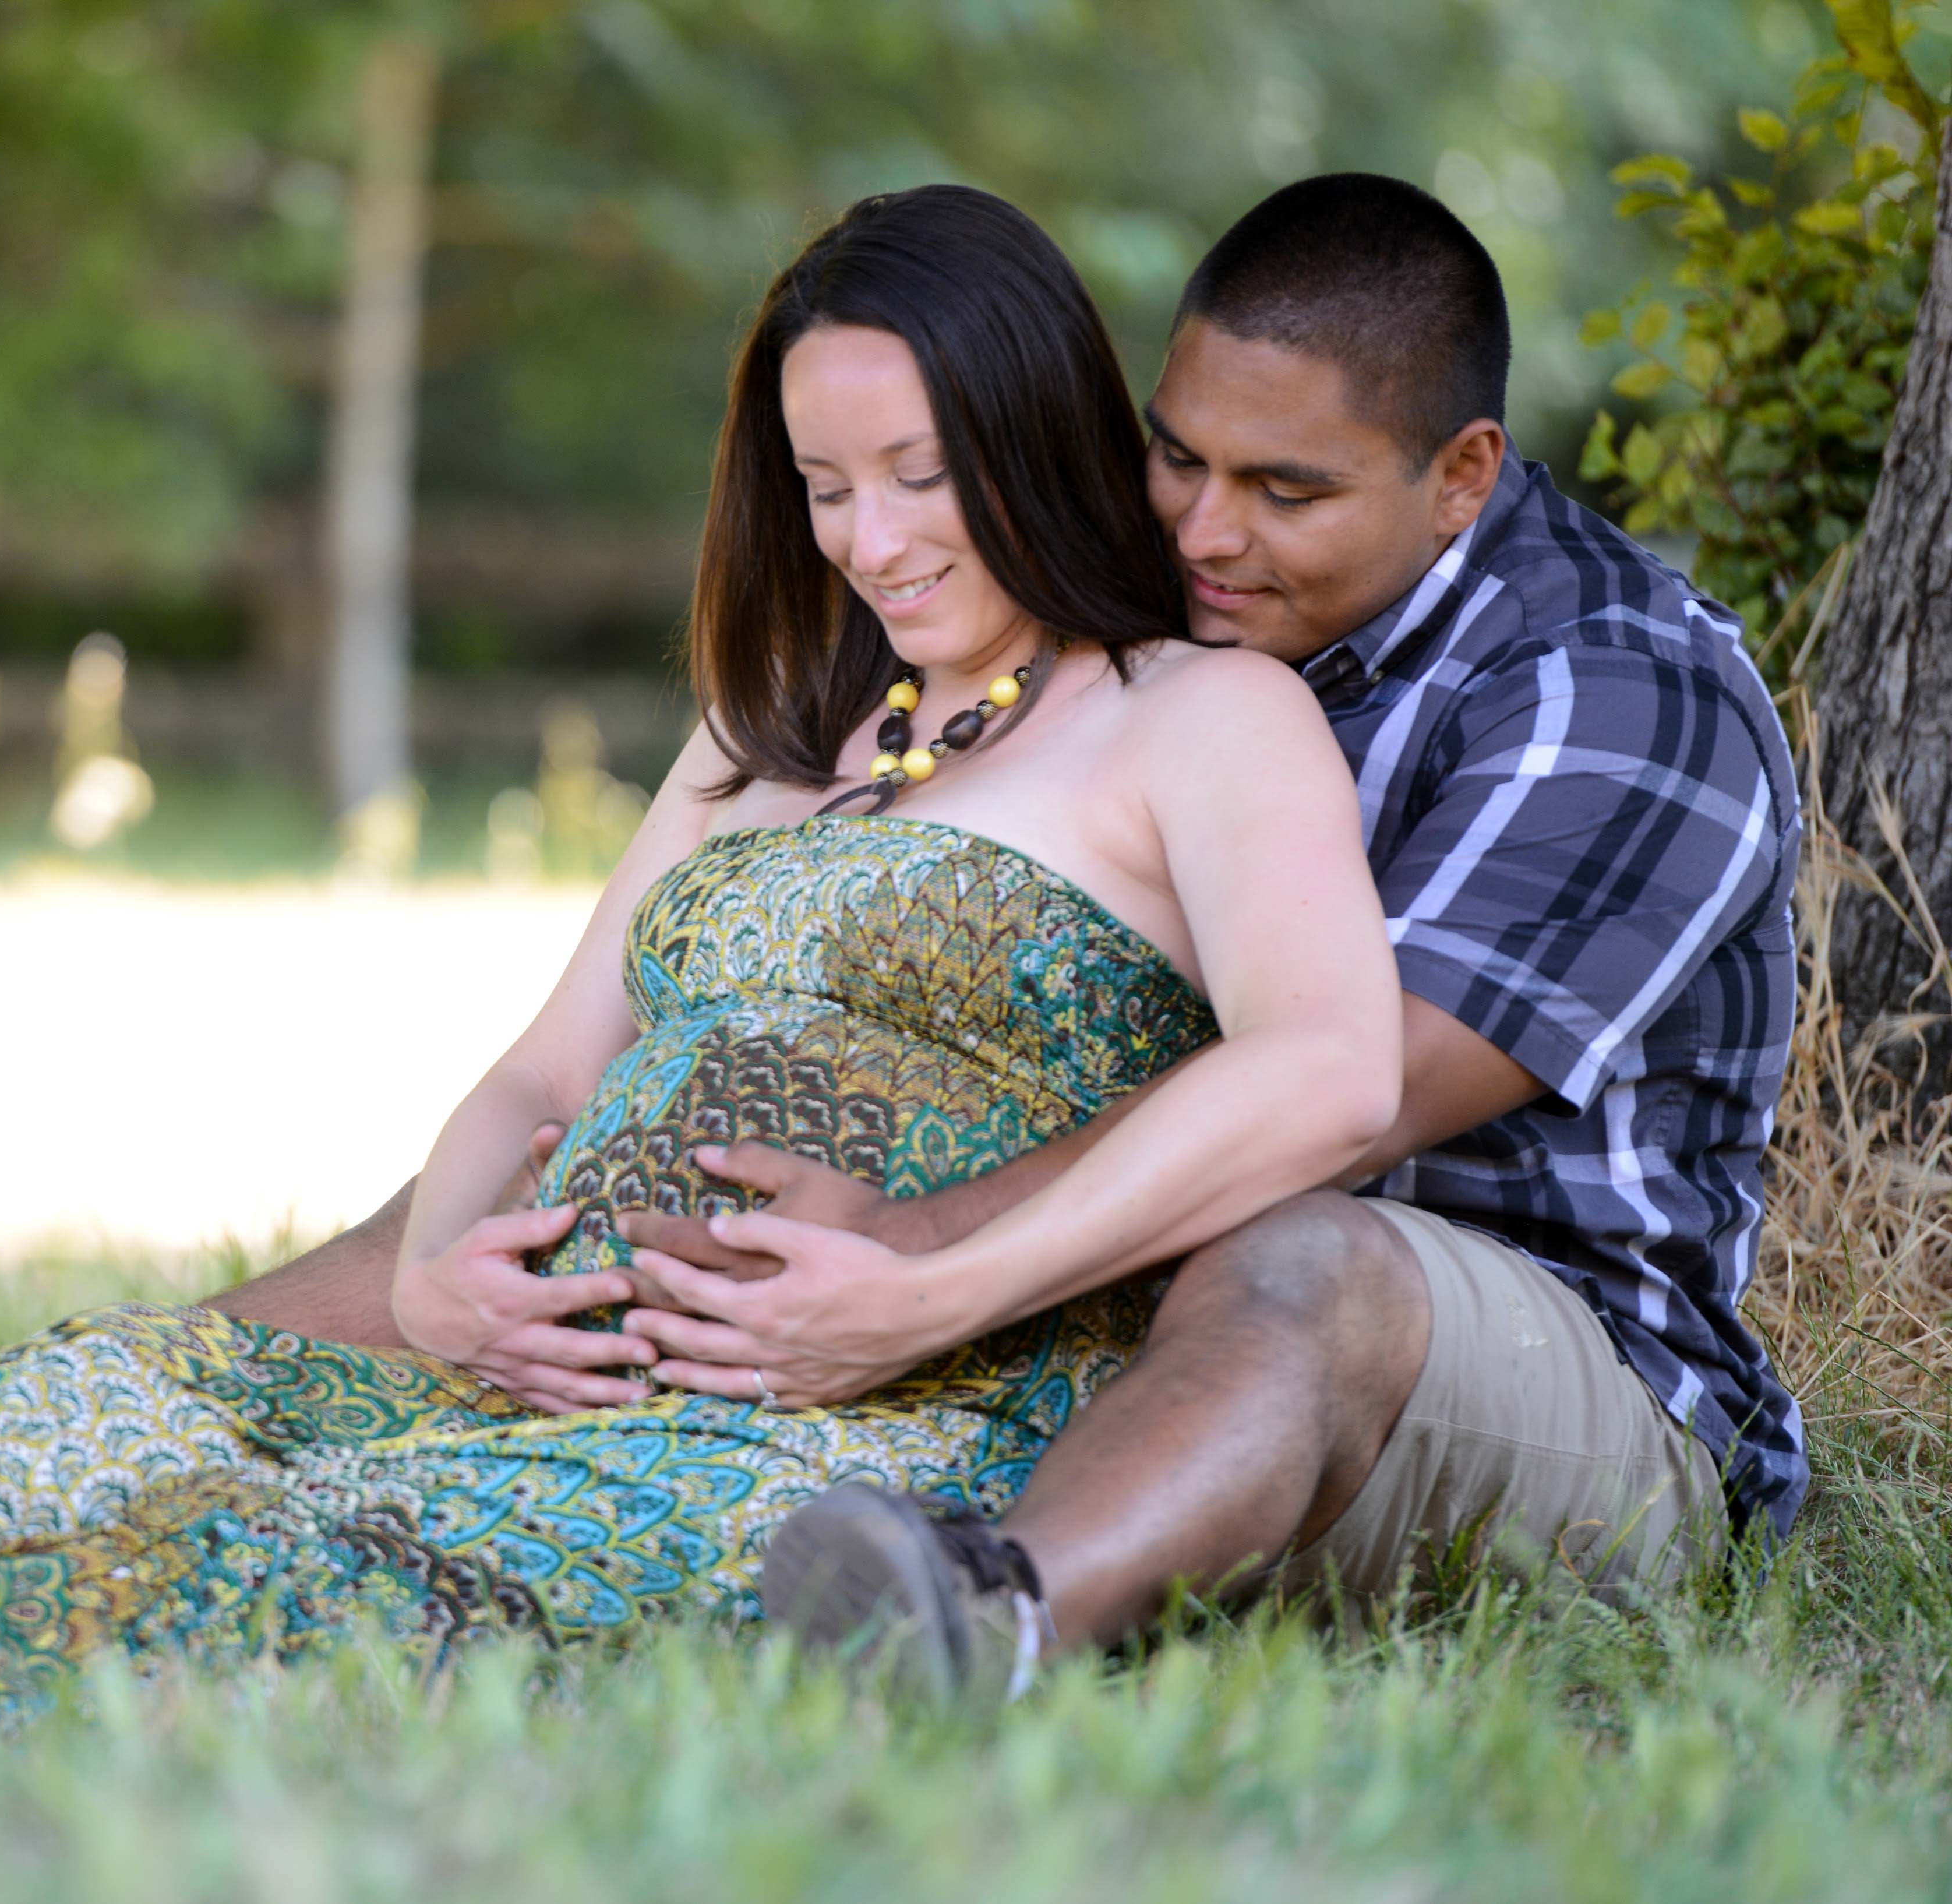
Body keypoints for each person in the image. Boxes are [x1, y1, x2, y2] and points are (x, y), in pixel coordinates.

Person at [0, 183, 1403, 1707]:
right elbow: (546, 1073)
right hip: (531, 1344)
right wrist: (449, 1265)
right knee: (111, 1397)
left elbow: (1329, 1068)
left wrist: (921, 1285)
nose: (877, 541)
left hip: (846, 1419)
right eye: (827, 491)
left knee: (244, 1558)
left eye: (919, 476)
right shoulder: (765, 742)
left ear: (1028, 426)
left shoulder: (1196, 725)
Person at [719, 173, 1805, 1685]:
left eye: (1286, 491)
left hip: (1563, 1377)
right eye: (1178, 457)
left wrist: (922, 1236)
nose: (1207, 529)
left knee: (1311, 1258)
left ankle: (983, 1621)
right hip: (1163, 1294)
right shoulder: (1182, 634)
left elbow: (1359, 1096)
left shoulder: (1615, 691)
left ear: (1462, 472)